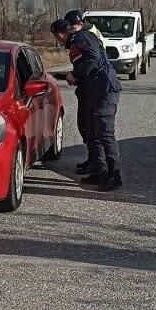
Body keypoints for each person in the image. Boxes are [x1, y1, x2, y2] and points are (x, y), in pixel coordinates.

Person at [51, 18, 123, 191]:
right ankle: (99, 169)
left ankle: (115, 175)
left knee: (105, 133)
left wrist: (75, 74)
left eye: (56, 36)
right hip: (95, 91)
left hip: (105, 90)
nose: (58, 40)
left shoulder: (81, 38)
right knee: (92, 131)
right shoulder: (78, 40)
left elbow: (93, 58)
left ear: (60, 34)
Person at [64, 10, 107, 175]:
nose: (71, 31)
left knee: (92, 126)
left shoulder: (86, 35)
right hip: (91, 82)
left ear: (78, 23)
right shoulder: (89, 32)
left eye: (72, 27)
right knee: (86, 125)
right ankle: (93, 160)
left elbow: (92, 58)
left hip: (94, 83)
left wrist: (76, 74)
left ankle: (98, 164)